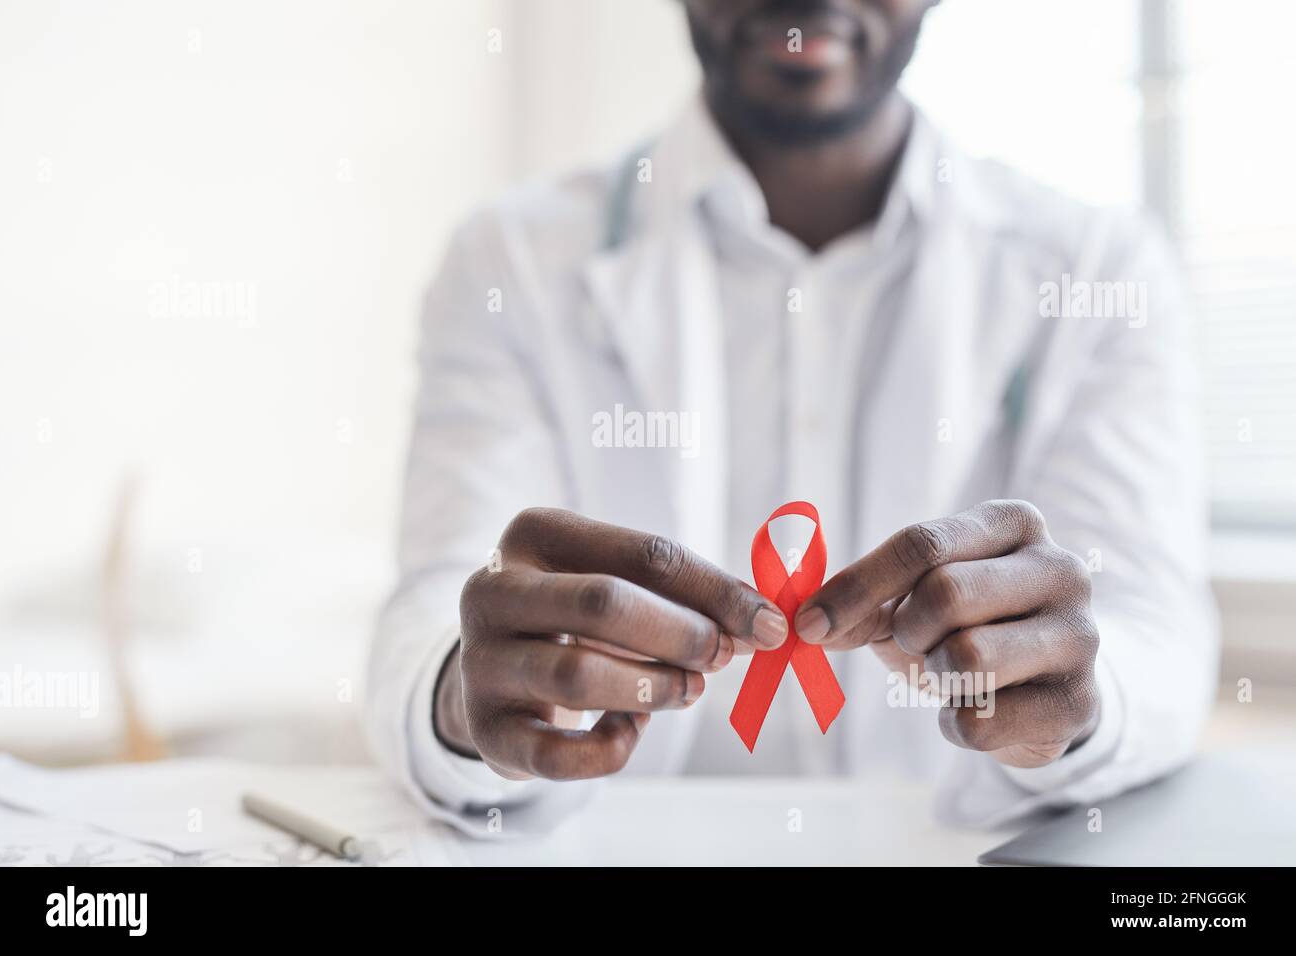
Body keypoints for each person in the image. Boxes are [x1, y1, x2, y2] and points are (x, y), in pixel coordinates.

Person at [366, 0, 1218, 835]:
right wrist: (463, 690)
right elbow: (439, 607)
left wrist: (1080, 699)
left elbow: (1155, 638)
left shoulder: (1100, 270)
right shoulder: (508, 261)